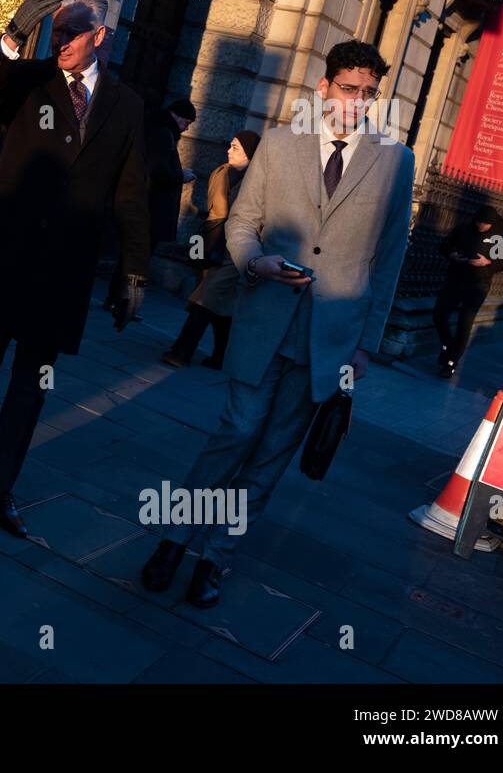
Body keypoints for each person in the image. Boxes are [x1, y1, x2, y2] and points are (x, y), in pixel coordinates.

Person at [140, 39, 413, 607]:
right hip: (265, 320)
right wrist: (252, 261)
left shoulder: (395, 160)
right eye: (348, 89)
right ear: (323, 88)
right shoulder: (282, 144)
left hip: (329, 341)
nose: (357, 103)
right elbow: (243, 223)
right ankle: (173, 538)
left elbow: (387, 262)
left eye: (369, 94)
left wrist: (365, 345)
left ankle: (216, 558)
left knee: (270, 457)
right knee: (235, 434)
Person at [0, 0, 151, 537]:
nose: (62, 39)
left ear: (101, 36)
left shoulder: (126, 105)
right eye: (57, 30)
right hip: (5, 258)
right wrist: (14, 34)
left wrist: (133, 270)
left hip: (61, 272)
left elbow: (131, 191)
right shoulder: (30, 80)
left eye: (73, 31)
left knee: (32, 385)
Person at [162, 129, 261, 368]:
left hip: (237, 249)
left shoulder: (259, 182)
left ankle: (181, 351)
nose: (229, 150)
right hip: (214, 243)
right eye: (230, 145)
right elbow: (216, 212)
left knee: (207, 297)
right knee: (220, 300)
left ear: (250, 155)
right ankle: (220, 356)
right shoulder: (223, 172)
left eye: (236, 148)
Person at [103, 98, 196, 313]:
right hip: (150, 207)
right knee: (138, 257)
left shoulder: (159, 130)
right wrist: (180, 175)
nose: (187, 127)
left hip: (144, 205)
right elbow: (157, 171)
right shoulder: (163, 134)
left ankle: (117, 300)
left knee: (133, 255)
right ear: (176, 116)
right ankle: (122, 302)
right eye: (187, 122)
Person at [433, 203, 503, 377]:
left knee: (464, 323)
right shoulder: (465, 228)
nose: (481, 226)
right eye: (478, 222)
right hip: (455, 278)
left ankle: (451, 363)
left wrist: (488, 262)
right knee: (439, 314)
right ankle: (447, 344)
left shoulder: (498, 237)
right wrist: (452, 254)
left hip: (478, 284)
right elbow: (444, 246)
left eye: (485, 224)